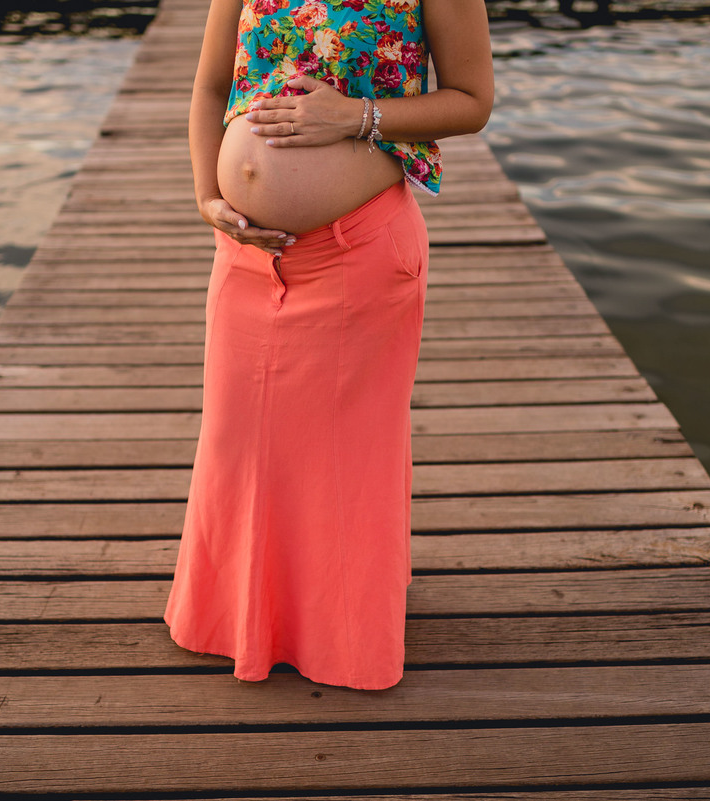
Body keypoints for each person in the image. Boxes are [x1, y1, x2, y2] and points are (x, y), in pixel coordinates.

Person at [163, 0, 495, 691]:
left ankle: (342, 637)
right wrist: (206, 196)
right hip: (246, 257)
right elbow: (208, 87)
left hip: (357, 253)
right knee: (237, 445)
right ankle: (239, 624)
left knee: (344, 459)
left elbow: (472, 101)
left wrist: (356, 116)